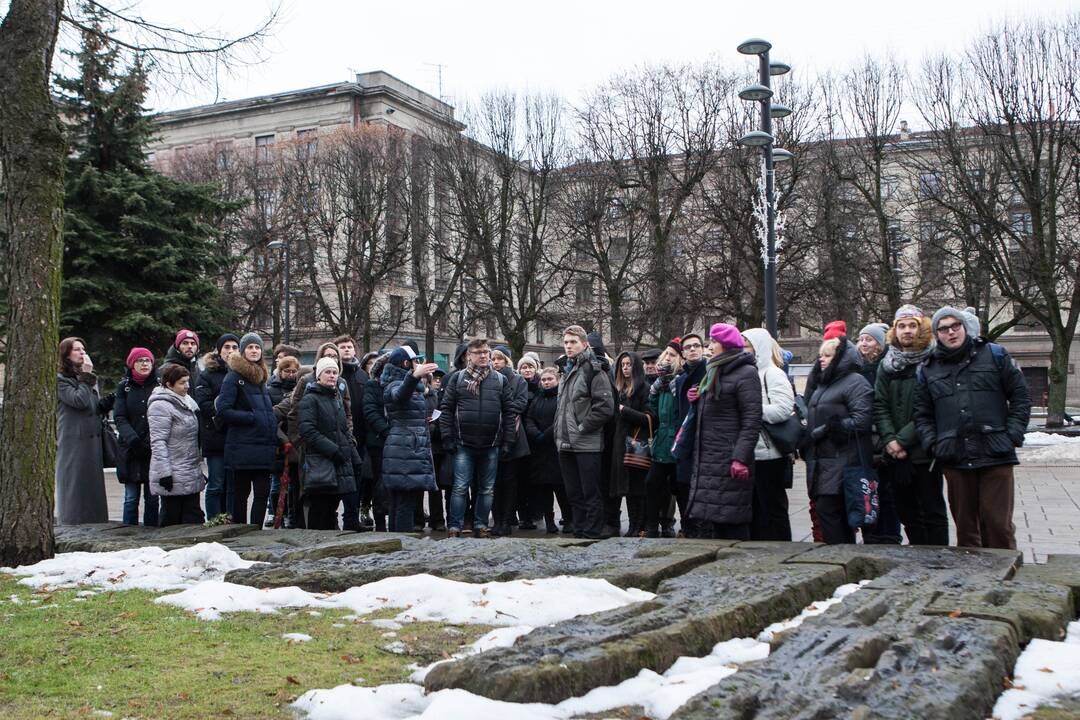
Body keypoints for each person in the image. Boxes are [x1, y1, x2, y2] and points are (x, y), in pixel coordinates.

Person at [914, 306, 1031, 550]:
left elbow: (1020, 396)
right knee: (966, 530)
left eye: (955, 326)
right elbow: (922, 414)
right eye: (943, 328)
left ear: (964, 327)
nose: (951, 332)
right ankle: (974, 581)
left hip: (995, 453)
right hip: (954, 456)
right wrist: (933, 443)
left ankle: (1005, 578)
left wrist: (1012, 435)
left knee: (998, 525)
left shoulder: (994, 355)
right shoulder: (928, 368)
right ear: (937, 334)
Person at [874, 304, 949, 546]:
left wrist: (901, 440)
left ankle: (938, 558)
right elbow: (880, 404)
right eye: (901, 326)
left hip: (924, 452)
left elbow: (931, 408)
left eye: (912, 326)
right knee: (907, 513)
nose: (907, 331)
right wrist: (889, 440)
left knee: (932, 512)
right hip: (896, 455)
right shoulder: (887, 364)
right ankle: (918, 556)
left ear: (921, 329)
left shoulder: (934, 360)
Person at [685, 324, 761, 540]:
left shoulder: (746, 373)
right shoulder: (714, 370)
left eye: (714, 342)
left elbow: (751, 419)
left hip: (729, 459)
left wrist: (740, 458)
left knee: (732, 519)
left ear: (726, 345)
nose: (710, 347)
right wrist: (697, 400)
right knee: (715, 520)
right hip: (710, 458)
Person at [440, 338, 515, 538]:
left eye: (485, 352)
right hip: (463, 443)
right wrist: (447, 436)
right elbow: (446, 409)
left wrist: (508, 441)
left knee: (487, 489)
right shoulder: (457, 379)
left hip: (491, 443)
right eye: (478, 352)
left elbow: (509, 412)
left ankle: (481, 525)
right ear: (469, 356)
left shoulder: (500, 380)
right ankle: (454, 526)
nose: (483, 356)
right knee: (460, 487)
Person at [804, 336, 874, 544]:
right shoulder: (824, 384)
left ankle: (841, 556)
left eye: (827, 356)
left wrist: (831, 429)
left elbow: (863, 419)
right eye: (820, 356)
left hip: (843, 459)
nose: (821, 360)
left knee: (831, 511)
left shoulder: (855, 381)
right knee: (830, 512)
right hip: (823, 459)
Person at [555, 326, 616, 539]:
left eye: (573, 342)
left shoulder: (594, 369)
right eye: (566, 342)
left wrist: (582, 428)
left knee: (590, 491)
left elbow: (605, 407)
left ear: (584, 343)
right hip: (565, 443)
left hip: (587, 443)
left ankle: (592, 531)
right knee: (573, 492)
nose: (569, 346)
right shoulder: (566, 369)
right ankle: (580, 530)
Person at [217, 332, 278, 527]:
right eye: (250, 347)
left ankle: (256, 531)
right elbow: (224, 410)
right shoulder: (233, 377)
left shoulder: (261, 379)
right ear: (243, 351)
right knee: (240, 495)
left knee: (262, 493)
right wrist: (252, 418)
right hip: (242, 447)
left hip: (263, 447)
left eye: (257, 347)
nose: (254, 350)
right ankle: (240, 532)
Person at [742, 328, 796, 541]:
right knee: (756, 508)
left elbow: (784, 408)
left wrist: (752, 411)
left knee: (773, 506)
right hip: (753, 451)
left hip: (770, 453)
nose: (742, 349)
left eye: (746, 345)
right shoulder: (751, 372)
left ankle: (782, 547)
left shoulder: (773, 373)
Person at [381, 346, 440, 532]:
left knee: (401, 501)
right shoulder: (395, 384)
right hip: (405, 448)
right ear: (406, 364)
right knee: (403, 501)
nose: (419, 364)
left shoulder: (405, 384)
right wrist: (414, 376)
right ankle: (402, 544)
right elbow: (399, 396)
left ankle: (396, 541)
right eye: (415, 361)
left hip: (407, 447)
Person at [299, 356, 362, 530]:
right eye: (328, 372)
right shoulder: (310, 399)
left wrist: (352, 452)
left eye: (335, 372)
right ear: (318, 375)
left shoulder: (337, 398)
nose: (332, 375)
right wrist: (333, 451)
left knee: (331, 507)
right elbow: (308, 431)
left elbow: (343, 430)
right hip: (322, 461)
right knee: (320, 508)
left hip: (340, 461)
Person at [56, 337, 108, 525]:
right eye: (77, 349)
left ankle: (96, 523)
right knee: (75, 485)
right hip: (74, 440)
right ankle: (72, 523)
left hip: (91, 440)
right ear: (66, 354)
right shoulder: (61, 379)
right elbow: (78, 401)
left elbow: (92, 406)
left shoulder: (87, 377)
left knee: (92, 487)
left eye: (83, 349)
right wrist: (87, 378)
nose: (82, 353)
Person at [147, 364, 206, 526]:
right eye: (182, 382)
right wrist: (165, 473)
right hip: (172, 472)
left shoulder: (187, 402)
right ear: (169, 384)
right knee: (171, 518)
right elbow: (158, 442)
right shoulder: (160, 405)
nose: (187, 386)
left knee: (193, 517)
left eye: (187, 381)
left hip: (189, 469)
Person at [194, 333, 239, 520]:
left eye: (235, 347)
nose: (231, 351)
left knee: (232, 486)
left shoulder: (241, 373)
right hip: (215, 437)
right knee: (216, 483)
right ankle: (213, 519)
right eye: (227, 347)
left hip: (236, 438)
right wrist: (223, 413)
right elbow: (203, 404)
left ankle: (229, 518)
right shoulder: (207, 375)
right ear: (219, 350)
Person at [113, 347, 160, 526]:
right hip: (130, 450)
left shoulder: (158, 386)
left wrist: (149, 440)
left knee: (153, 497)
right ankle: (128, 532)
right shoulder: (124, 387)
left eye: (147, 360)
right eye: (140, 361)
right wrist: (132, 439)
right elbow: (120, 416)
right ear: (132, 364)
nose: (144, 364)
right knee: (131, 498)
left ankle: (151, 531)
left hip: (152, 448)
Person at [610, 351, 654, 537]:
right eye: (623, 365)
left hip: (637, 445)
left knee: (639, 488)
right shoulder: (619, 389)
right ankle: (632, 525)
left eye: (629, 364)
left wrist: (625, 411)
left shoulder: (645, 388)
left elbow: (651, 418)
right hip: (621, 445)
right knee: (627, 488)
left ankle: (640, 525)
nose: (626, 368)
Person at [644, 339, 684, 537]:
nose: (667, 357)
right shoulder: (661, 383)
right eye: (666, 353)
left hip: (678, 442)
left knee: (680, 487)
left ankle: (686, 527)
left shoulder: (680, 380)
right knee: (652, 484)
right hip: (662, 442)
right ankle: (651, 526)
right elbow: (654, 407)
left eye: (673, 355)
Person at [491, 345, 530, 536]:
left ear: (507, 360)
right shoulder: (488, 378)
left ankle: (506, 520)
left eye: (499, 358)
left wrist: (502, 408)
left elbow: (521, 403)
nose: (495, 362)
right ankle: (496, 519)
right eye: (493, 359)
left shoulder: (517, 379)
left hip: (513, 435)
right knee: (493, 482)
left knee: (510, 481)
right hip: (491, 435)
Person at [672, 332, 707, 535]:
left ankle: (701, 532)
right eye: (688, 347)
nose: (692, 349)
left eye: (696, 346)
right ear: (683, 353)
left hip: (704, 440)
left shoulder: (710, 372)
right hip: (685, 439)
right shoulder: (681, 379)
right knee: (683, 486)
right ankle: (688, 529)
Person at [524, 366, 567, 533]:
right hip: (540, 450)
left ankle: (568, 518)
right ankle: (549, 521)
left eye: (550, 379)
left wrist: (546, 435)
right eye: (543, 380)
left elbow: (561, 419)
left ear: (557, 380)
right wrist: (536, 434)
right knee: (544, 490)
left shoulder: (562, 398)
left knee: (561, 489)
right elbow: (529, 419)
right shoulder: (537, 398)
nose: (546, 382)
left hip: (556, 448)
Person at [335, 334, 369, 531]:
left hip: (361, 437)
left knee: (357, 480)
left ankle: (352, 518)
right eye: (343, 347)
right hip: (341, 436)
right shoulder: (334, 374)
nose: (346, 349)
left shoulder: (362, 376)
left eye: (349, 346)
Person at [363, 352, 393, 531]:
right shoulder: (372, 385)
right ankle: (380, 522)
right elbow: (370, 411)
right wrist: (387, 430)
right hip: (379, 441)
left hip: (397, 440)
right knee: (379, 484)